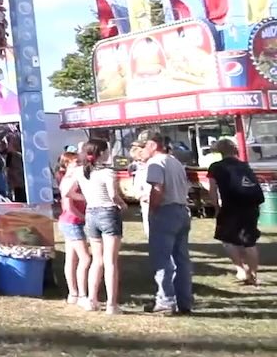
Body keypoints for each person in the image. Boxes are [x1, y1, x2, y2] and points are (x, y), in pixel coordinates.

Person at [138, 129, 194, 315]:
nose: (141, 151)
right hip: (182, 210)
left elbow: (157, 188)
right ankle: (184, 301)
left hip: (165, 211)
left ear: (153, 145)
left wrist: (153, 209)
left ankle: (165, 301)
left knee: (162, 260)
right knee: (182, 259)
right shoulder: (175, 161)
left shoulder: (155, 163)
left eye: (142, 146)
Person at [206, 138, 264, 286]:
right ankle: (253, 274)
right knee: (249, 242)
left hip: (230, 206)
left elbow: (212, 190)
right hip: (251, 206)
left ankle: (240, 269)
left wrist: (216, 207)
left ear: (219, 151)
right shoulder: (244, 165)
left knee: (228, 239)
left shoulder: (216, 167)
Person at [76, 139, 125, 314]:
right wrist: (123, 204)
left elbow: (70, 191)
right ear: (102, 153)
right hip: (108, 212)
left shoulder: (80, 171)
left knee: (96, 260)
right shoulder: (107, 172)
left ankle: (92, 299)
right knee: (110, 261)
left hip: (91, 213)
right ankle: (111, 304)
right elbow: (113, 195)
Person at [56, 151, 90, 306]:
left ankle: (73, 293)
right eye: (76, 163)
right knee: (85, 258)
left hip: (69, 221)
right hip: (72, 221)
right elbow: (69, 207)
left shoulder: (71, 179)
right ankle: (82, 294)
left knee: (72, 258)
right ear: (67, 164)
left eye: (80, 162)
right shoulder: (69, 180)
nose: (79, 165)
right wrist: (84, 218)